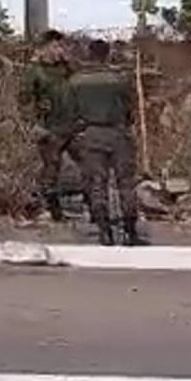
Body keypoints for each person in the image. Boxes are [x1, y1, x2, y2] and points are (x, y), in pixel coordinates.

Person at [66, 38, 146, 246]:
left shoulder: (76, 81)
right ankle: (130, 231)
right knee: (125, 182)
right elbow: (129, 108)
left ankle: (104, 231)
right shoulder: (119, 79)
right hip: (118, 133)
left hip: (91, 133)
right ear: (108, 54)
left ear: (89, 54)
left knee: (97, 183)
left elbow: (71, 112)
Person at [19, 30, 77, 222]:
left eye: (60, 45)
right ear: (43, 49)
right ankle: (45, 208)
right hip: (49, 126)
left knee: (89, 163)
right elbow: (24, 101)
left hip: (73, 124)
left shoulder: (66, 68)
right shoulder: (34, 71)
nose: (59, 49)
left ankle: (95, 208)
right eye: (54, 46)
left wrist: (69, 62)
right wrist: (33, 124)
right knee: (51, 169)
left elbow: (79, 83)